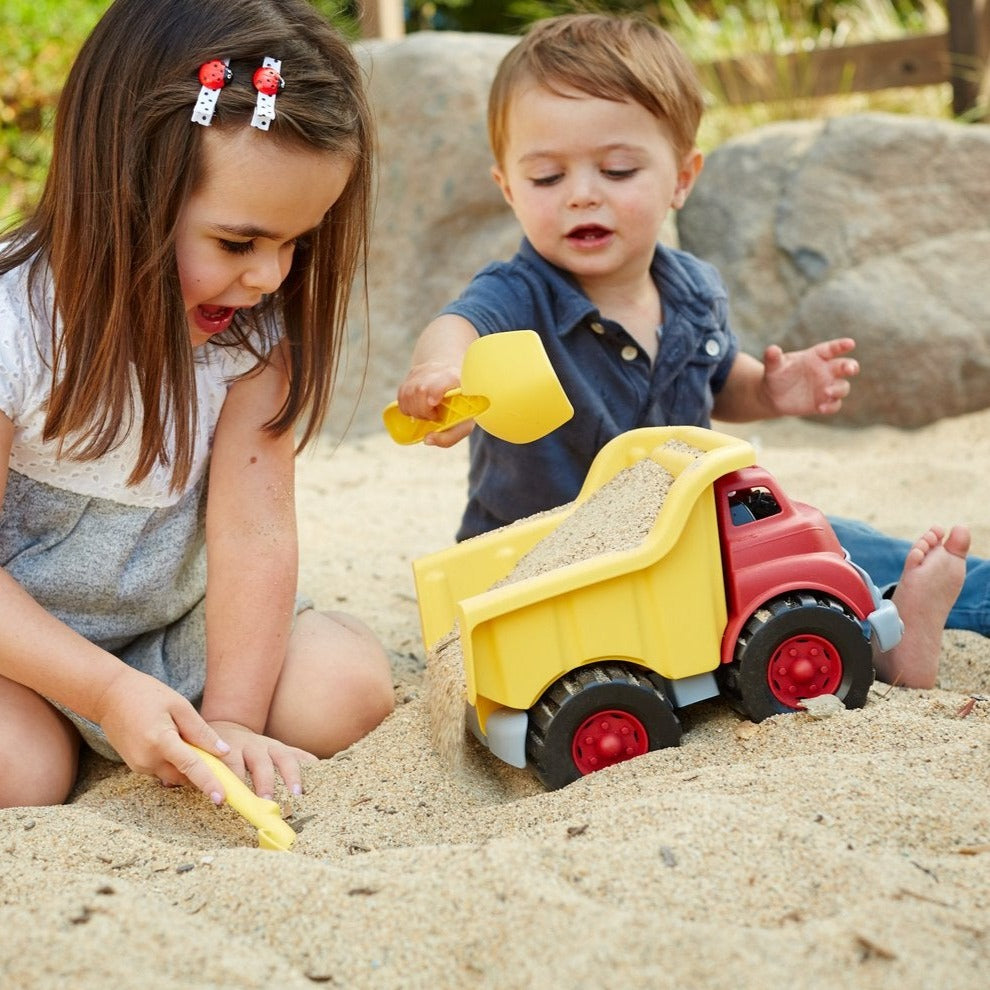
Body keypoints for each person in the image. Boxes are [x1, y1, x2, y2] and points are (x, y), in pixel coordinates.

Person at [395, 12, 975, 690]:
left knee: (825, 537)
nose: (582, 193)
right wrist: (439, 374)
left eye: (617, 169)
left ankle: (902, 626)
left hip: (685, 538)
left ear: (682, 177)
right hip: (546, 553)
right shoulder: (519, 293)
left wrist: (770, 391)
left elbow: (722, 378)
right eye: (547, 178)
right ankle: (873, 635)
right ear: (507, 188)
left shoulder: (693, 289)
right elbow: (458, 325)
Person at [0, 0, 395, 810]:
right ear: (124, 190)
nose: (270, 278)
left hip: (174, 631)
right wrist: (106, 694)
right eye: (238, 242)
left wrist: (235, 720)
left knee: (345, 692)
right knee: (21, 774)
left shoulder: (248, 338)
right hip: (23, 650)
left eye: (298, 242)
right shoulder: (14, 324)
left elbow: (253, 530)